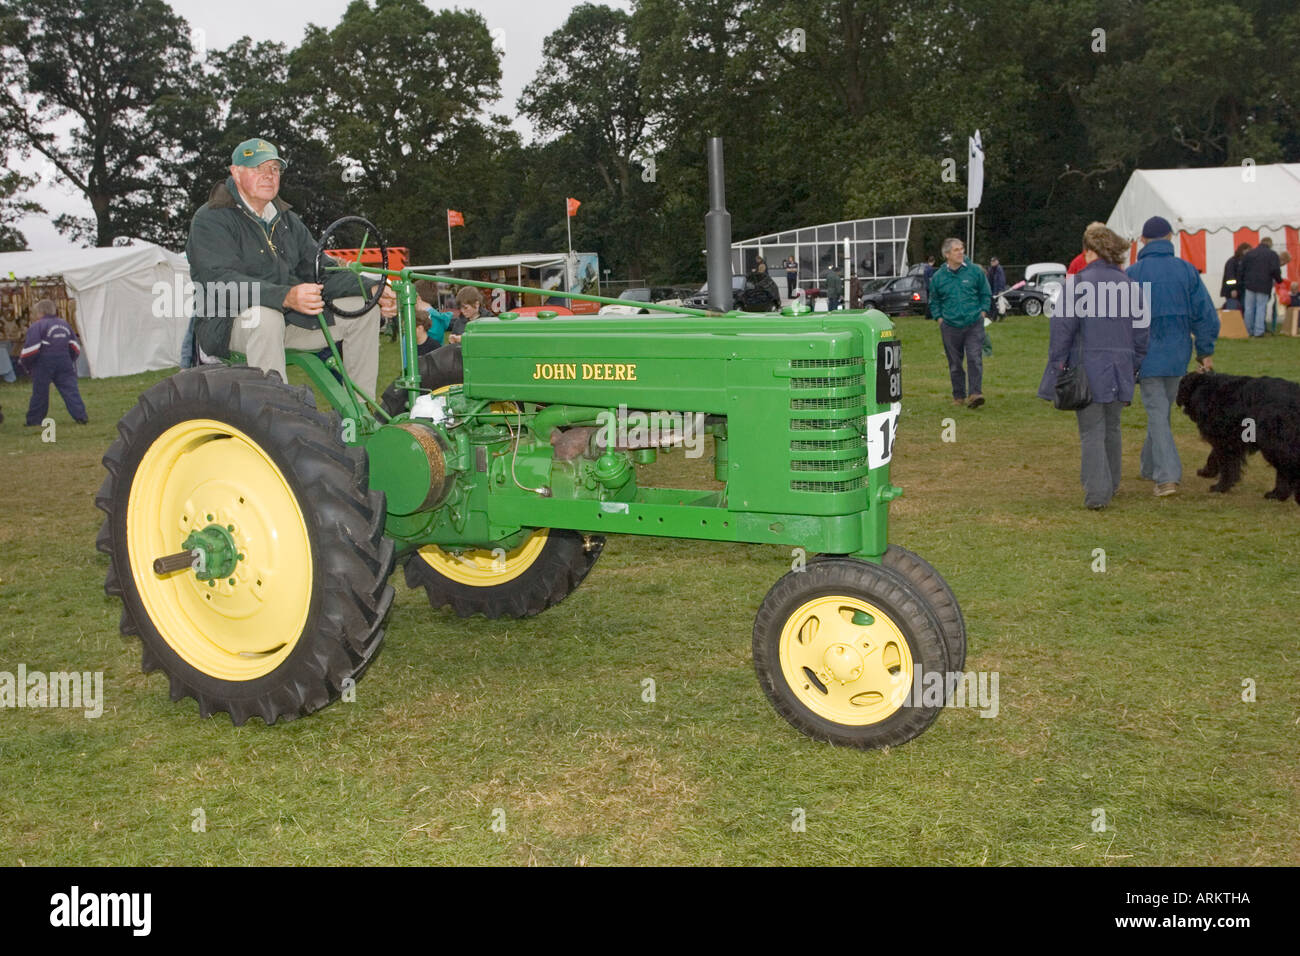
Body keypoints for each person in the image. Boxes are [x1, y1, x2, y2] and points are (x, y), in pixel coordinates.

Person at [186, 137, 396, 395]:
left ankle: (360, 420)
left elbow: (321, 271)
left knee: (364, 310)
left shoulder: (287, 220)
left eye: (274, 169)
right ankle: (274, 419)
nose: (268, 176)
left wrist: (373, 288)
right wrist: (285, 296)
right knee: (266, 317)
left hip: (290, 319)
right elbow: (221, 283)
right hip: (228, 324)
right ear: (236, 173)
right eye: (257, 169)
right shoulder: (210, 219)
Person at [1037, 225, 1149, 510]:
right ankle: (1111, 484)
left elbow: (1061, 331)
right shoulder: (1131, 286)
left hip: (1088, 368)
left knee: (1091, 432)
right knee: (1112, 429)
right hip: (1120, 368)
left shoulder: (1076, 285)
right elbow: (1142, 332)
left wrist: (1057, 368)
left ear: (1089, 251)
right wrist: (1133, 364)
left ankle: (1097, 494)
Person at [1125, 215, 1219, 497]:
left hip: (1147, 356)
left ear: (1142, 241)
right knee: (1161, 412)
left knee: (1157, 414)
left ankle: (1167, 477)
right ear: (1170, 237)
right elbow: (1205, 315)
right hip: (1178, 355)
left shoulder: (1132, 274)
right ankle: (1148, 465)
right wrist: (1205, 351)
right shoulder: (1187, 271)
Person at [928, 237, 992, 408]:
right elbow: (934, 300)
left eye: (962, 248)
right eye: (956, 250)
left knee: (974, 358)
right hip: (949, 326)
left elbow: (985, 293)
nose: (961, 252)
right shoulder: (938, 277)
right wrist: (939, 318)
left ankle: (975, 394)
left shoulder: (975, 272)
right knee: (955, 364)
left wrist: (983, 311)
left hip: (973, 323)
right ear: (947, 254)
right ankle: (958, 396)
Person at [19, 299, 87, 425]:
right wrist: (69, 359)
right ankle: (81, 416)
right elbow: (75, 346)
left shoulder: (37, 326)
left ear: (40, 312)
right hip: (64, 360)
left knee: (40, 392)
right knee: (70, 390)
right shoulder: (64, 324)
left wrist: (26, 364)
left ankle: (34, 420)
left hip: (44, 362)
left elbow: (30, 350)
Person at [1239, 237, 1282, 337]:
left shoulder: (1250, 254)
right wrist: (1279, 280)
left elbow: (1241, 269)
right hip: (1264, 284)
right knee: (1260, 308)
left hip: (1249, 284)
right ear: (1270, 244)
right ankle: (1258, 331)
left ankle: (1248, 331)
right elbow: (1275, 270)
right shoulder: (1272, 254)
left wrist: (1242, 282)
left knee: (1249, 308)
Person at [1220, 242, 1250, 311]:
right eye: (1247, 251)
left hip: (1240, 290)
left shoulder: (1241, 261)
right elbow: (1230, 277)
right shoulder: (1232, 261)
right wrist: (1232, 289)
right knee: (1233, 310)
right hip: (1233, 291)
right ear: (1243, 250)